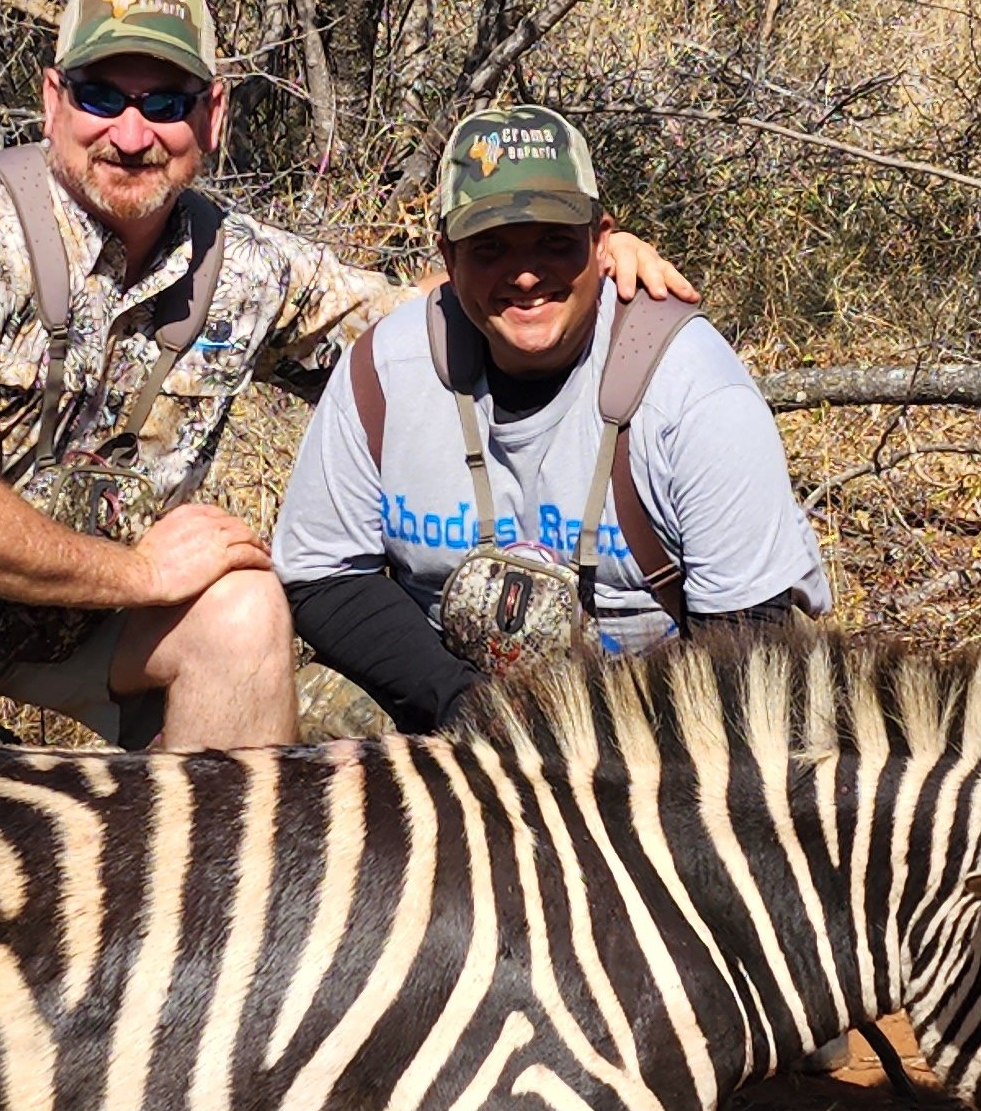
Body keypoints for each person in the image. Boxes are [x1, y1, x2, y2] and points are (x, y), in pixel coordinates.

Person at [0, 0, 695, 749]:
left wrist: (571, 263)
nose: (134, 133)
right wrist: (140, 576)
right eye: (103, 95)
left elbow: (442, 321)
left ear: (215, 113)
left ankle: (200, 947)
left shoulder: (245, 267)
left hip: (72, 626)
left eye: (168, 102)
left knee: (247, 619)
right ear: (53, 100)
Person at [273, 103, 830, 733]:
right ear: (447, 258)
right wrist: (467, 706)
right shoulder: (384, 366)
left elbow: (748, 640)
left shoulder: (694, 388)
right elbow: (319, 575)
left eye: (555, 242)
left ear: (602, 243)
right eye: (490, 248)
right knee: (313, 720)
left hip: (658, 719)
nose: (527, 274)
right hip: (451, 699)